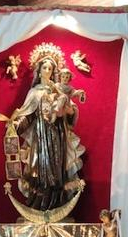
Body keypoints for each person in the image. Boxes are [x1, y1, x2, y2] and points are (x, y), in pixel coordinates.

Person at [9, 52, 85, 210]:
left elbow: (70, 114)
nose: (47, 71)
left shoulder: (57, 90)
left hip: (57, 134)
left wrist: (70, 111)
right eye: (44, 67)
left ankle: (57, 202)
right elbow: (27, 115)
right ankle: (40, 202)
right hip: (40, 134)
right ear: (39, 70)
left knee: (57, 167)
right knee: (40, 167)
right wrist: (16, 124)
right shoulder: (34, 92)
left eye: (50, 68)